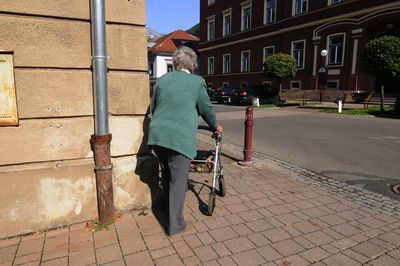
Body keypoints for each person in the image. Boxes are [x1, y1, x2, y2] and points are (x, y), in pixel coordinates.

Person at [148, 46, 223, 236]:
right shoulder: (196, 82)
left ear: (175, 63)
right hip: (178, 138)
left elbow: (154, 108)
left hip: (157, 136)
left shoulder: (162, 81)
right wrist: (215, 126)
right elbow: (206, 109)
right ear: (193, 65)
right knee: (178, 181)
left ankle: (166, 208)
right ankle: (176, 225)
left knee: (166, 175)